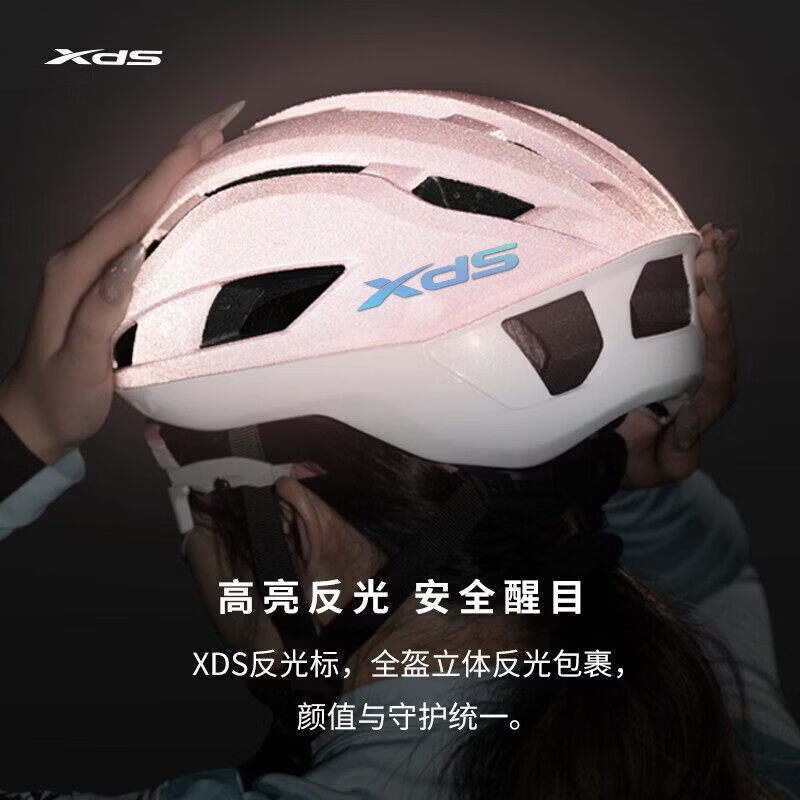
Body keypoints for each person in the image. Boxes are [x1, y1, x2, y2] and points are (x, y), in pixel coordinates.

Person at [0, 93, 798, 799]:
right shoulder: (722, 738)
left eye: (188, 501)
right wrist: (597, 452)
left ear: (297, 533)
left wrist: (24, 430)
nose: (189, 554)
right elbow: (708, 578)